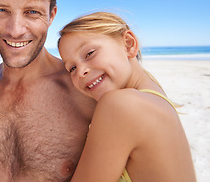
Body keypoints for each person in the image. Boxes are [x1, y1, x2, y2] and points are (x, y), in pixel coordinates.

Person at [0, 0, 95, 181]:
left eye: (31, 12)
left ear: (51, 15)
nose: (15, 30)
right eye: (1, 10)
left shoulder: (83, 90)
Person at [57, 11, 197, 182]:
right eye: (71, 68)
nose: (80, 71)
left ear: (129, 44)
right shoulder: (155, 98)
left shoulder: (120, 105)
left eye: (90, 53)